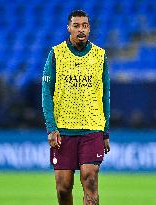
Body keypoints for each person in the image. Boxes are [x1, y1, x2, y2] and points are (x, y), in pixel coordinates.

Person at [42, 10, 110, 205]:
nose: (81, 30)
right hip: (63, 130)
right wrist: (51, 127)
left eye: (85, 26)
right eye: (77, 26)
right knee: (63, 188)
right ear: (69, 28)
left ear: (89, 28)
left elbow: (106, 95)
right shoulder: (56, 54)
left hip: (92, 128)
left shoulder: (100, 55)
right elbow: (46, 92)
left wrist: (105, 132)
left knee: (90, 179)